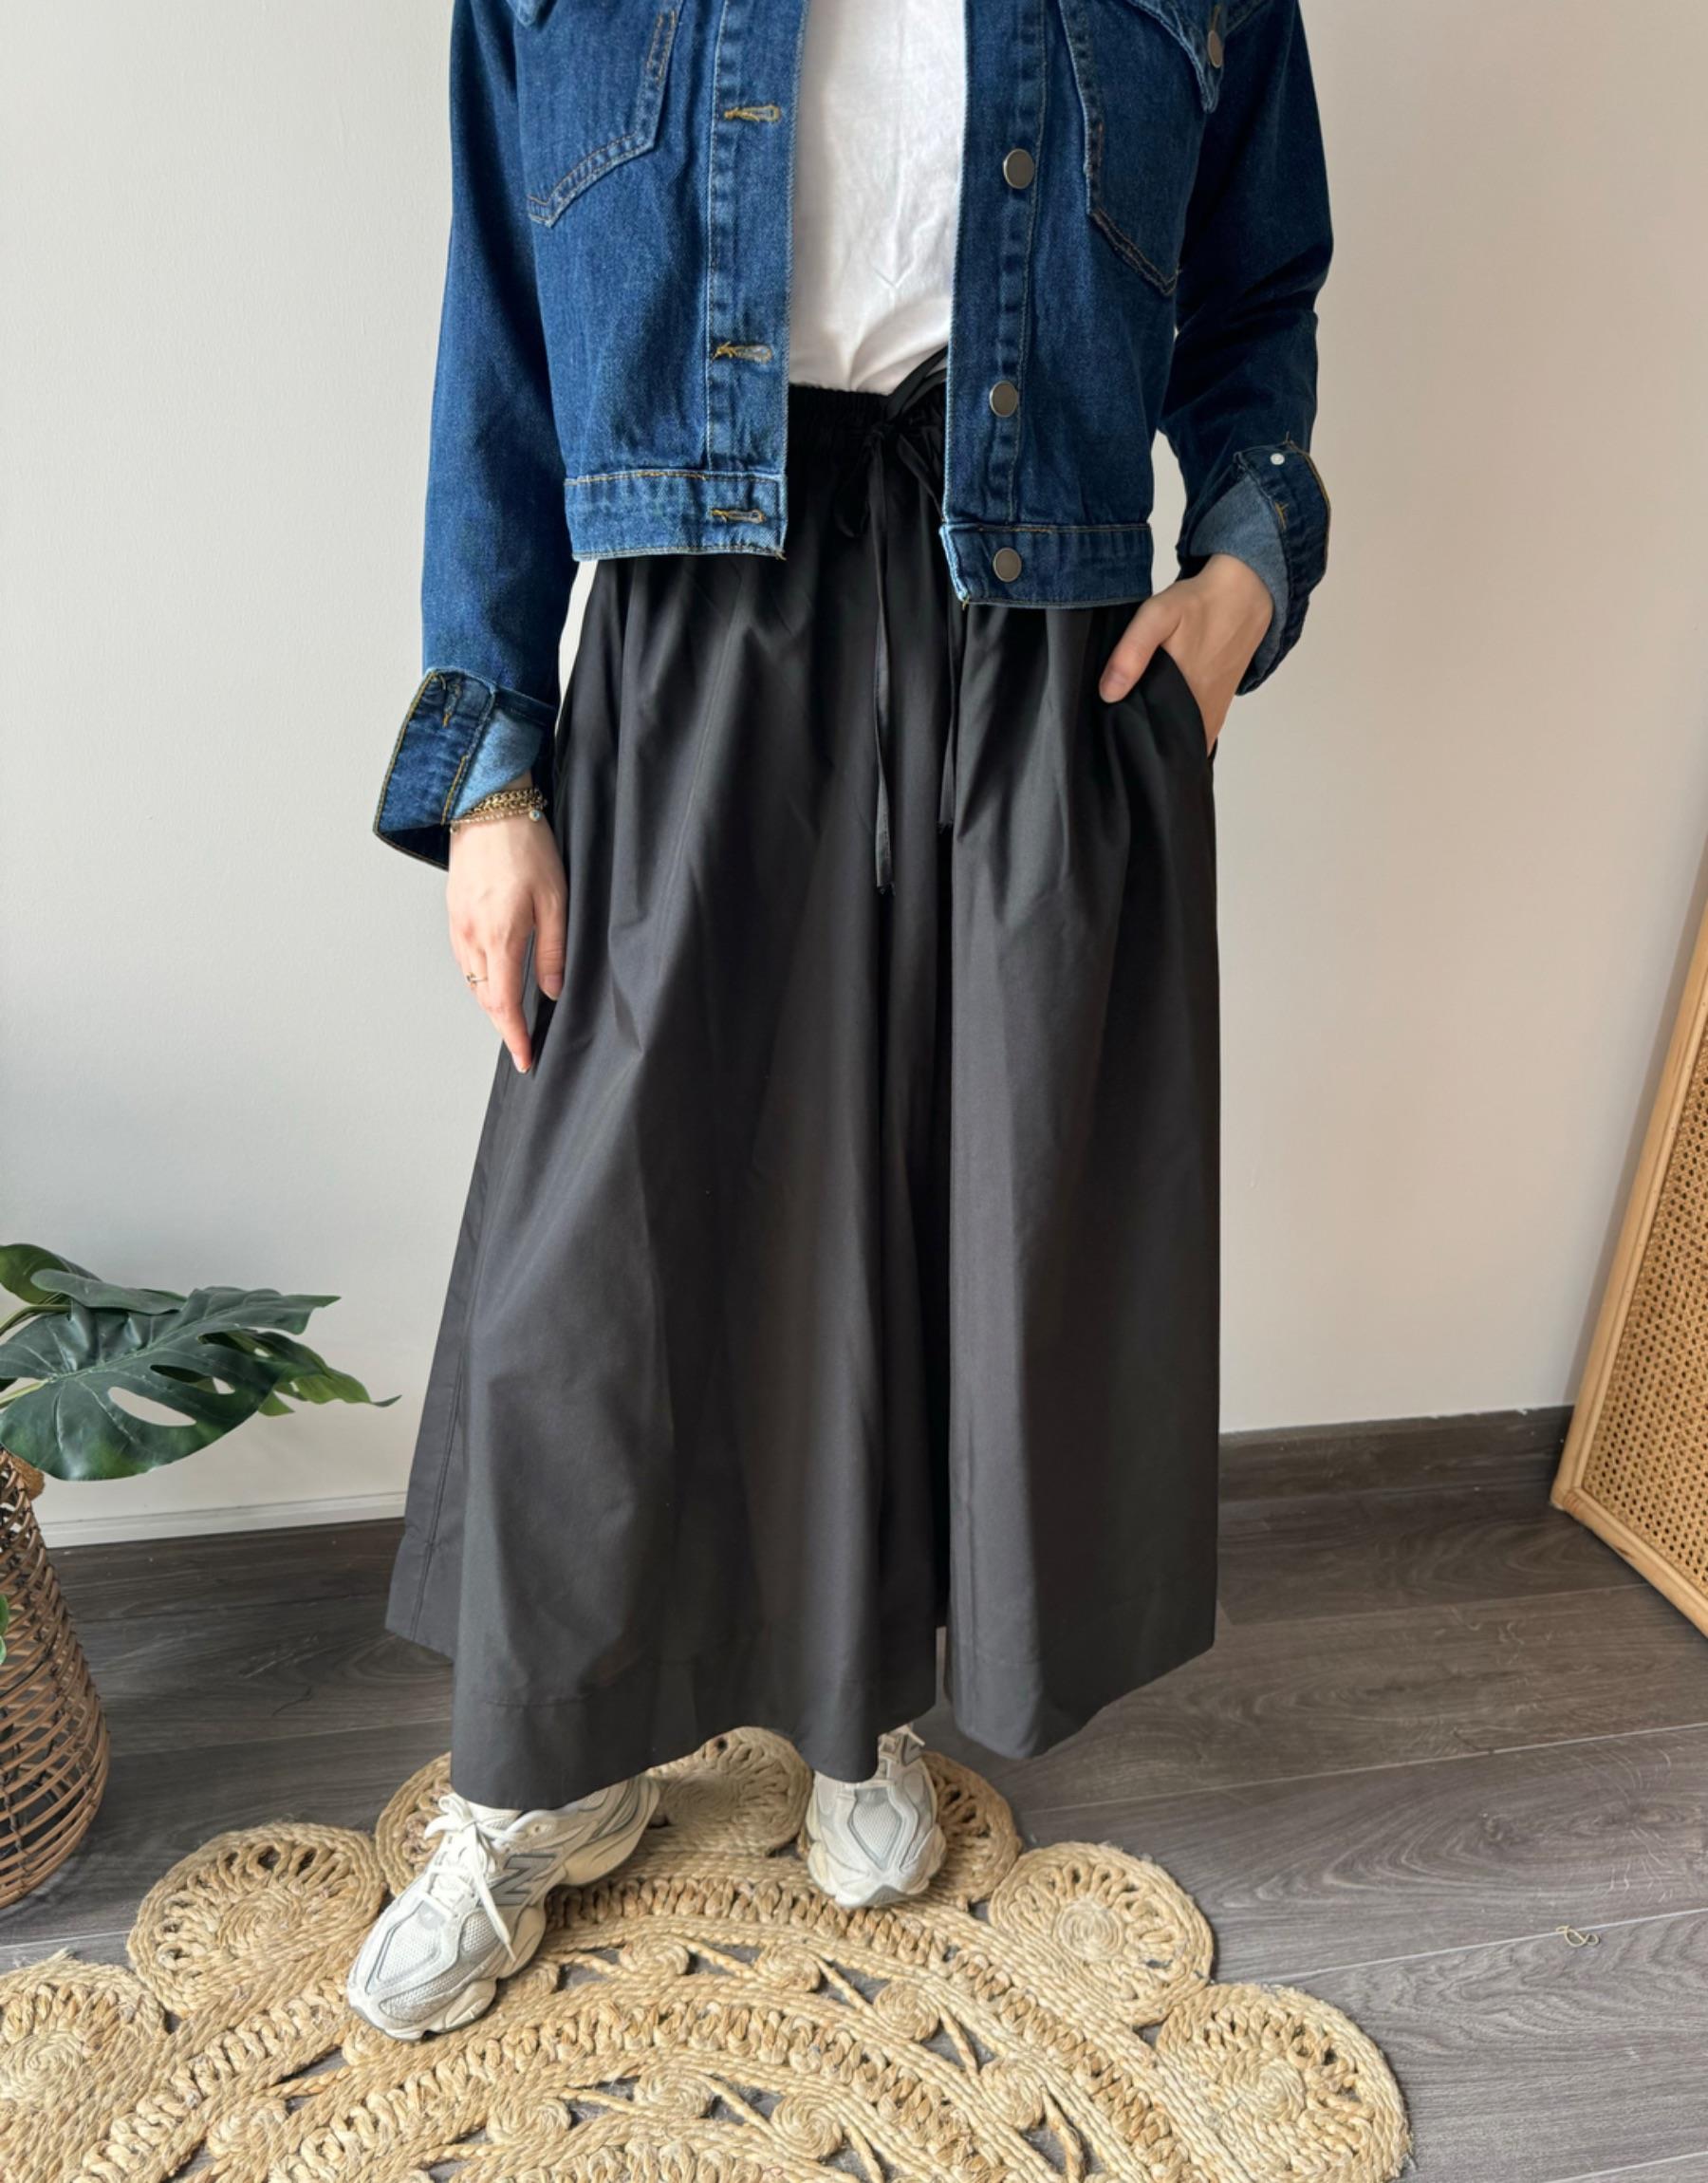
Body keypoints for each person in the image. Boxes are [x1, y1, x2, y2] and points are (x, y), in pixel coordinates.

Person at [349, 0, 1331, 2040]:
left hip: (1036, 623)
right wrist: (492, 765)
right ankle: (540, 1775)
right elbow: (501, 323)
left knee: (950, 1190)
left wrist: (1244, 566)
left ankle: (852, 1709)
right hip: (698, 603)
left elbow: (1260, 285)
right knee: (597, 1245)